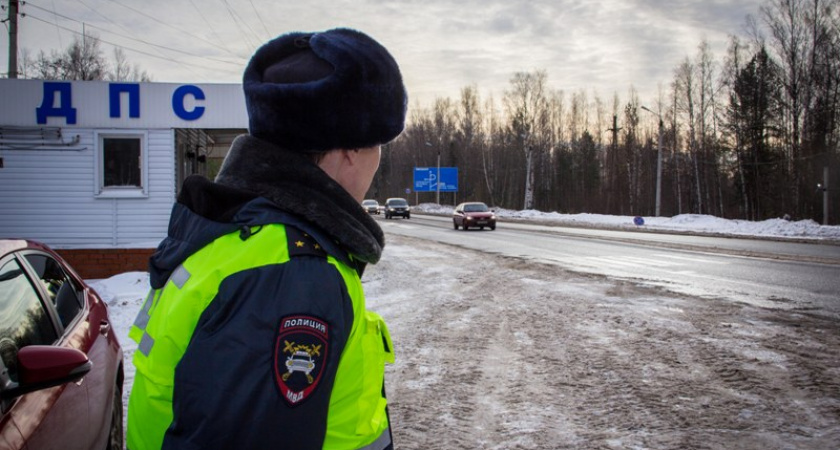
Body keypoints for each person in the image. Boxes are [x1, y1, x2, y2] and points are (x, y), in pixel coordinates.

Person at [126, 28, 407, 450]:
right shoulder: (291, 276)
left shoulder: (242, 235)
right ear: (349, 149)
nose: (377, 161)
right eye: (377, 145)